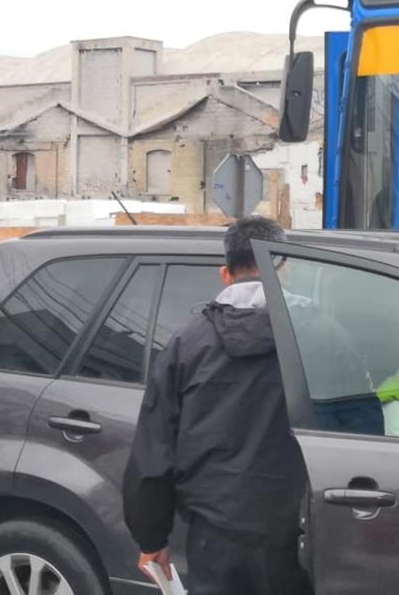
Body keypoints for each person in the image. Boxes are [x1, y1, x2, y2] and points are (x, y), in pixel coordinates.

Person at [122, 216, 312, 595]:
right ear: (284, 269)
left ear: (225, 274)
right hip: (299, 537)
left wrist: (151, 538)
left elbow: (153, 452)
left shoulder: (186, 344)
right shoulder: (316, 336)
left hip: (215, 538)